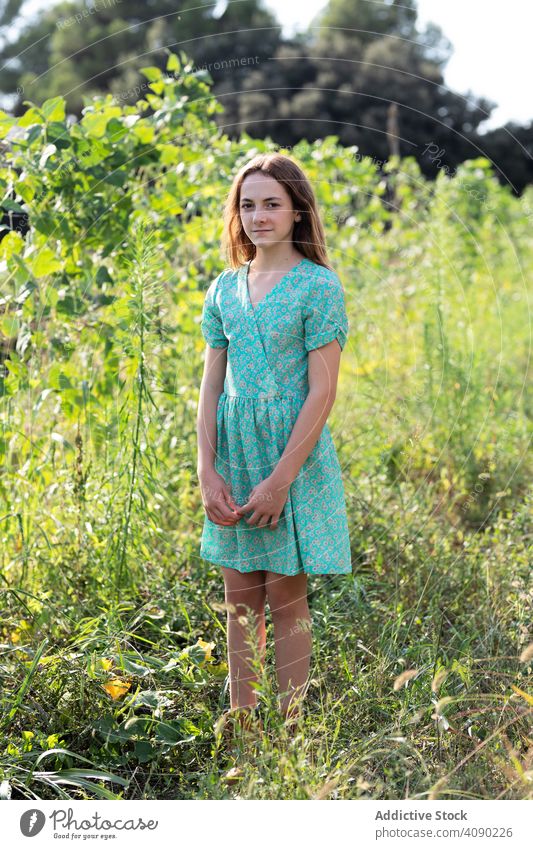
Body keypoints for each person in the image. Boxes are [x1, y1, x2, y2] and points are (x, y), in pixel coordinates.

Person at [196, 152, 351, 739]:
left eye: (272, 204)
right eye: (248, 204)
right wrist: (207, 469)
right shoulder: (223, 289)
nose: (258, 215)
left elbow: (323, 392)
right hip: (235, 453)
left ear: (297, 211)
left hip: (293, 455)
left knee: (285, 595)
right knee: (240, 596)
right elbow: (211, 384)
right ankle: (242, 723)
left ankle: (290, 731)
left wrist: (281, 478)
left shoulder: (317, 286)